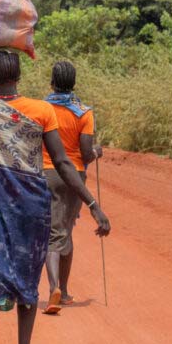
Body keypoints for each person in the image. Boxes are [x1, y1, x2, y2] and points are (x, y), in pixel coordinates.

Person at [0, 50, 111, 344]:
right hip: (29, 206)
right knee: (27, 279)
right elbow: (64, 162)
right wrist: (93, 203)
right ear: (19, 77)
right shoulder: (41, 111)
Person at [42, 61, 102, 314]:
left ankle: (54, 288)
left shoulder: (43, 108)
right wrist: (97, 152)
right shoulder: (84, 112)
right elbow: (86, 153)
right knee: (65, 229)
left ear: (52, 82)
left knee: (53, 232)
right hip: (74, 177)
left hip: (45, 172)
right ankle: (63, 291)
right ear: (74, 83)